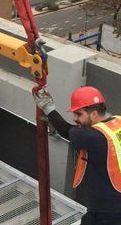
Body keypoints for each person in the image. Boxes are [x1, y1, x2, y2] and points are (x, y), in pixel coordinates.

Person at [34, 86, 121, 224]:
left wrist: (49, 109)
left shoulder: (93, 137)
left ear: (93, 114)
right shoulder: (117, 122)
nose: (75, 118)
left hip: (109, 212)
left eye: (79, 114)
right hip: (108, 204)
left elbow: (68, 130)